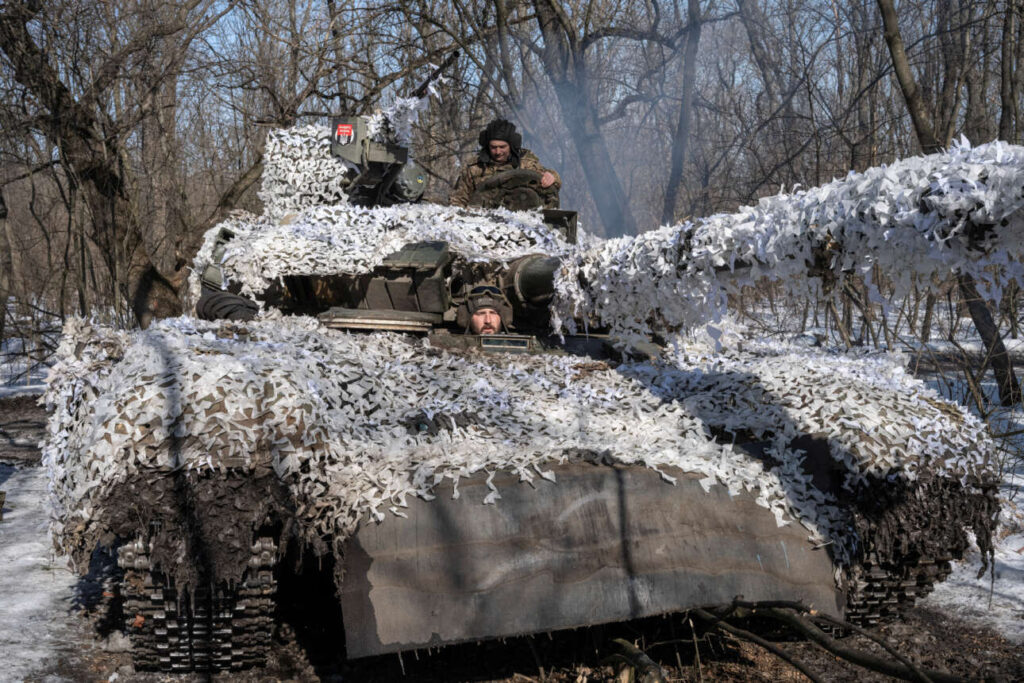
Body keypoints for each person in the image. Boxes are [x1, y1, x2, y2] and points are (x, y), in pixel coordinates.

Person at [449, 119, 561, 209]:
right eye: (493, 147)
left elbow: (551, 180)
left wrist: (552, 177)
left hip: (523, 221)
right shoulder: (475, 168)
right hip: (483, 223)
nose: (498, 152)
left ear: (511, 146)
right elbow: (458, 200)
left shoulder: (525, 163)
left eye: (502, 147)